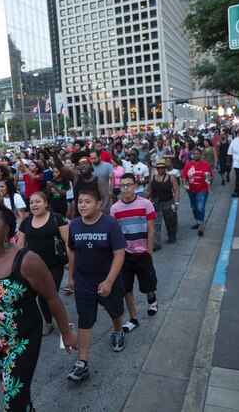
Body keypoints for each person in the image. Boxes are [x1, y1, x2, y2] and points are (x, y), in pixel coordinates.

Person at [0, 203, 77, 410]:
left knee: (12, 400)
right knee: (18, 394)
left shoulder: (27, 260)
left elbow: (52, 298)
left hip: (22, 340)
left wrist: (67, 334)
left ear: (7, 229)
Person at [66, 188, 127, 382]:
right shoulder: (74, 225)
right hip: (84, 281)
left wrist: (109, 281)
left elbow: (120, 254)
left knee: (115, 310)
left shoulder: (110, 223)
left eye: (87, 202)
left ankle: (118, 331)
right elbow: (73, 252)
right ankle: (82, 363)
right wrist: (72, 277)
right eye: (80, 201)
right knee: (85, 318)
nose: (82, 205)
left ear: (99, 204)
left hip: (109, 278)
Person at [110, 173, 158, 335]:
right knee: (126, 288)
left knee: (147, 285)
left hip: (143, 252)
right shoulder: (115, 208)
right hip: (125, 255)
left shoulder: (146, 204)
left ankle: (151, 298)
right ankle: (133, 319)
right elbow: (115, 233)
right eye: (122, 185)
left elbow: (151, 228)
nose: (125, 188)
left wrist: (149, 250)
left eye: (128, 185)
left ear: (135, 186)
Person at [18, 191, 69, 336]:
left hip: (54, 265)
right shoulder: (26, 222)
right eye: (31, 202)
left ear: (46, 203)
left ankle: (62, 324)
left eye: (38, 201)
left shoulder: (56, 218)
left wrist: (70, 263)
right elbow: (21, 245)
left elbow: (68, 242)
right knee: (41, 295)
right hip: (34, 268)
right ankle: (48, 322)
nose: (34, 205)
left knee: (50, 294)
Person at [145, 159, 180, 247]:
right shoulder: (153, 178)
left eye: (162, 167)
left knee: (170, 222)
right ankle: (156, 244)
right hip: (155, 203)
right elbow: (149, 191)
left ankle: (172, 236)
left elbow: (176, 191)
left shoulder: (171, 177)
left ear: (165, 168)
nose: (160, 169)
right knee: (156, 224)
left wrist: (176, 203)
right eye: (158, 168)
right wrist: (144, 202)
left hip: (168, 202)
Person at [181, 149, 213, 237]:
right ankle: (198, 221)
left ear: (201, 155)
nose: (195, 155)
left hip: (203, 189)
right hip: (191, 189)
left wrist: (210, 180)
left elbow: (211, 175)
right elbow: (184, 175)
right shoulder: (189, 165)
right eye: (194, 154)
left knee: (200, 207)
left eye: (197, 153)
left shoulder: (206, 165)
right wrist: (184, 183)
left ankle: (200, 227)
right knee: (194, 207)